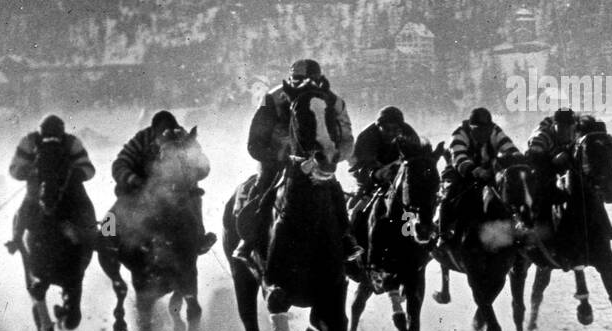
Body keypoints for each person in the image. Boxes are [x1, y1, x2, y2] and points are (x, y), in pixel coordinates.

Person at [231, 58, 360, 266]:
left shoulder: (334, 103)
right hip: (277, 163)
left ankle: (346, 238)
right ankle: (249, 240)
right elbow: (254, 143)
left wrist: (334, 156)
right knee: (263, 189)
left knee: (334, 192)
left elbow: (347, 139)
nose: (306, 85)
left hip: (318, 164)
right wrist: (280, 157)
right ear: (291, 80)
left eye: (312, 80)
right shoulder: (270, 100)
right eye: (300, 80)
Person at [112, 109, 217, 254]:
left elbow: (204, 166)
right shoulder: (142, 138)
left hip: (179, 190)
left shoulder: (184, 138)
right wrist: (133, 179)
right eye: (162, 132)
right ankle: (106, 237)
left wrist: (192, 173)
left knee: (193, 201)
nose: (166, 135)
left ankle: (199, 237)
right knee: (116, 211)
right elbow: (119, 164)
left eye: (171, 130)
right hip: (144, 190)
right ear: (154, 132)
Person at [5, 114, 98, 253]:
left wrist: (74, 174)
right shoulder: (29, 141)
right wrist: (27, 171)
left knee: (85, 205)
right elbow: (14, 168)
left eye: (55, 135)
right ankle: (16, 239)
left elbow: (88, 169)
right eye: (48, 135)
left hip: (68, 187)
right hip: (37, 187)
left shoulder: (72, 142)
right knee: (25, 208)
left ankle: (94, 237)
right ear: (41, 133)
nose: (51, 139)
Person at [435, 107, 520, 243]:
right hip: (460, 173)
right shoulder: (459, 133)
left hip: (488, 172)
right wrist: (477, 171)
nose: (483, 134)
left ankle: (518, 227)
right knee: (450, 195)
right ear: (471, 127)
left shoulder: (494, 131)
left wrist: (517, 160)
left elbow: (510, 148)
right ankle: (443, 235)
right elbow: (459, 158)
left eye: (486, 129)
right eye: (478, 130)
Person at [349, 106, 423, 207]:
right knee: (358, 200)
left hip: (396, 170)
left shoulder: (409, 135)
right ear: (378, 126)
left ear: (401, 128)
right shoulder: (366, 137)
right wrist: (379, 173)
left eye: (395, 129)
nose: (391, 133)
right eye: (386, 129)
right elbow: (364, 167)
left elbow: (418, 159)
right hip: (364, 171)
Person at [572, 114, 612, 240]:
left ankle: (606, 227)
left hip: (591, 178)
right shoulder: (603, 141)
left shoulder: (586, 140)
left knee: (594, 199)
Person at [526, 107, 578, 224]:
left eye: (569, 128)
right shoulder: (540, 137)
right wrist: (553, 163)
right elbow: (535, 165)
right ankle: (539, 224)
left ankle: (603, 222)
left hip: (566, 167)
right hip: (542, 169)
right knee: (542, 189)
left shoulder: (575, 131)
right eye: (562, 128)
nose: (567, 133)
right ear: (555, 125)